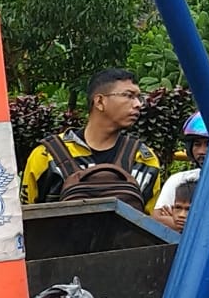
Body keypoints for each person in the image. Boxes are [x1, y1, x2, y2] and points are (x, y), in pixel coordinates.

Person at [21, 68, 164, 213]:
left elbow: (150, 224)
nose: (138, 104)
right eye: (128, 96)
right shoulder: (46, 156)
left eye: (139, 97)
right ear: (100, 101)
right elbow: (26, 218)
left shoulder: (144, 159)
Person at [152, 112, 208, 230]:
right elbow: (157, 219)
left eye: (208, 144)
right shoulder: (178, 180)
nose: (202, 151)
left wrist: (177, 223)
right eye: (197, 144)